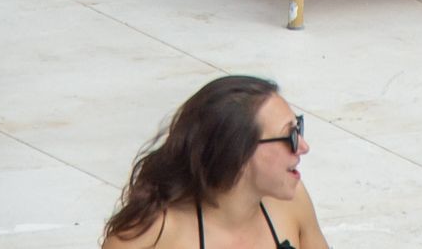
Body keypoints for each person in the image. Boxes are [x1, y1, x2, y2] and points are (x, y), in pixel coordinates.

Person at [100, 74, 330, 249]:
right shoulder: (153, 234)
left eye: (298, 128)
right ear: (239, 151)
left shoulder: (292, 203)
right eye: (290, 136)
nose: (303, 146)